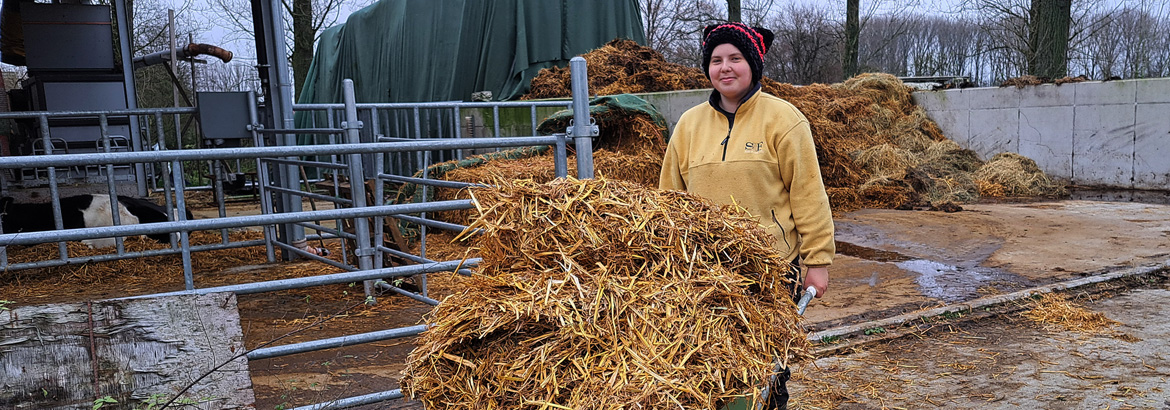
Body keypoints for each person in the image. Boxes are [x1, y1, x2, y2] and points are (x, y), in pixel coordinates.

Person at [658, 21, 835, 410]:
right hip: (702, 273)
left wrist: (817, 261)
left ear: (753, 64)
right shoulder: (688, 125)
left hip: (770, 270)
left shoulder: (784, 120)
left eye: (735, 58)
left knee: (767, 371)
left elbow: (808, 194)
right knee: (704, 367)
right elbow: (669, 201)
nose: (725, 67)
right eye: (717, 59)